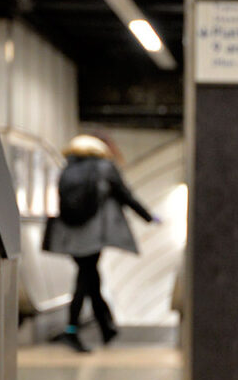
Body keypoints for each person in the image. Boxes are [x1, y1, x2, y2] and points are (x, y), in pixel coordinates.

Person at [44, 134, 156, 353]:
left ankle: (106, 328)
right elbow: (125, 195)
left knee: (90, 278)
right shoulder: (105, 168)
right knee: (84, 281)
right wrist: (149, 217)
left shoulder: (66, 170)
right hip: (94, 235)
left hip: (70, 234)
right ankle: (71, 330)